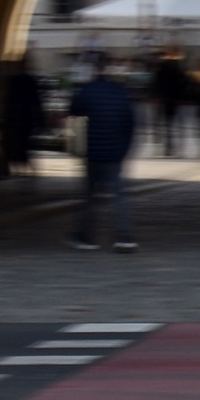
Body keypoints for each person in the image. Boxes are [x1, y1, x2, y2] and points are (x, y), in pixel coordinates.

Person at [66, 52, 139, 252]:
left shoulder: (88, 90)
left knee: (90, 196)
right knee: (118, 195)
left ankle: (86, 237)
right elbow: (131, 122)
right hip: (115, 152)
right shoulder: (121, 91)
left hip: (94, 152)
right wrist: (125, 148)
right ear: (108, 69)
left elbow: (73, 110)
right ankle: (125, 237)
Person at [0, 53, 46, 179]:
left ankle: (19, 166)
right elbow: (36, 101)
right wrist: (40, 120)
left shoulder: (14, 80)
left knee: (19, 143)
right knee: (25, 143)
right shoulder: (30, 80)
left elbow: (9, 101)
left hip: (17, 117)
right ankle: (24, 166)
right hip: (27, 117)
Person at [148, 46, 189, 156]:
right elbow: (184, 83)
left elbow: (156, 82)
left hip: (164, 97)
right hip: (174, 98)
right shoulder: (179, 67)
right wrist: (182, 97)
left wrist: (155, 96)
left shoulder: (162, 67)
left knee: (165, 121)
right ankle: (174, 145)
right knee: (173, 120)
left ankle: (167, 144)